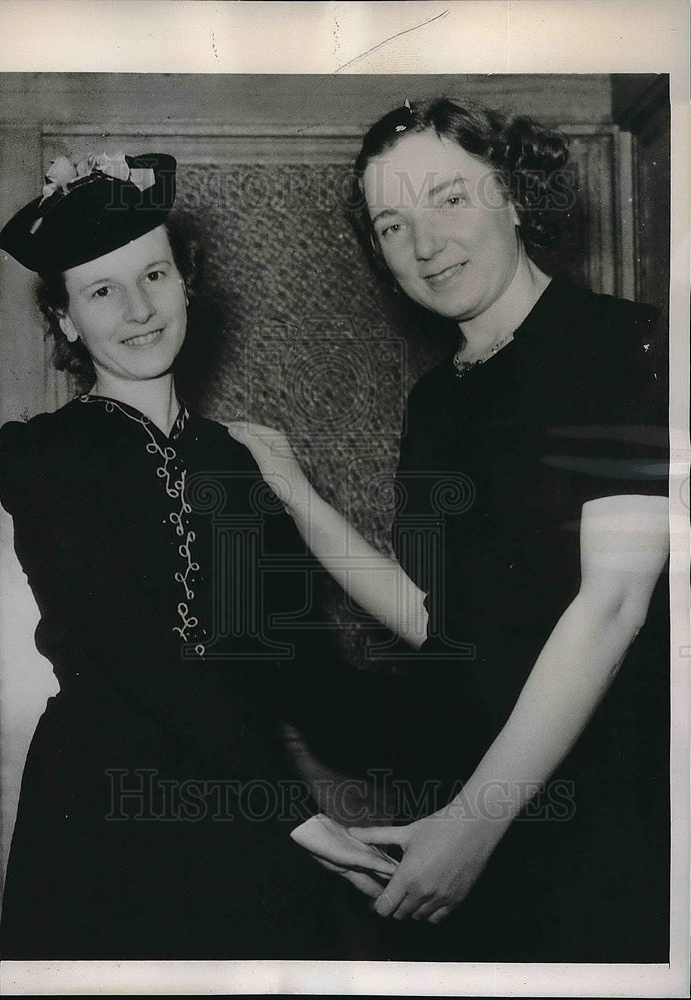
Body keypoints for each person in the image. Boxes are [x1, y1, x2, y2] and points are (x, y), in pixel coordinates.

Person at [232, 98, 670, 962]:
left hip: (612, 805)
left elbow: (614, 604)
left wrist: (473, 827)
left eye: (450, 199)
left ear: (515, 195)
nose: (424, 243)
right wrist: (292, 489)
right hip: (473, 800)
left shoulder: (627, 345)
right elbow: (435, 619)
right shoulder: (437, 400)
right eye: (393, 224)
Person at [0, 151, 397, 960]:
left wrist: (478, 718)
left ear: (187, 283)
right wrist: (296, 814)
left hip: (251, 831)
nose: (138, 308)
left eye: (155, 275)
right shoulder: (45, 456)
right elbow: (137, 654)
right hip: (105, 816)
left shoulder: (243, 460)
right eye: (102, 289)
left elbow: (299, 665)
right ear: (67, 319)